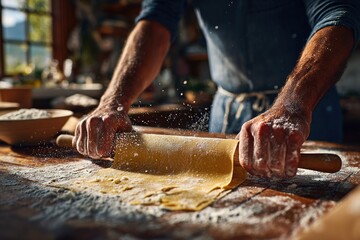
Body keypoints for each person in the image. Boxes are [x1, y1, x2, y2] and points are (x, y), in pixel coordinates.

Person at [73, 0, 360, 178]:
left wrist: (293, 105)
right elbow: (157, 19)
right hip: (227, 113)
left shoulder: (298, 108)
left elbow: (336, 14)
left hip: (304, 110)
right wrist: (113, 101)